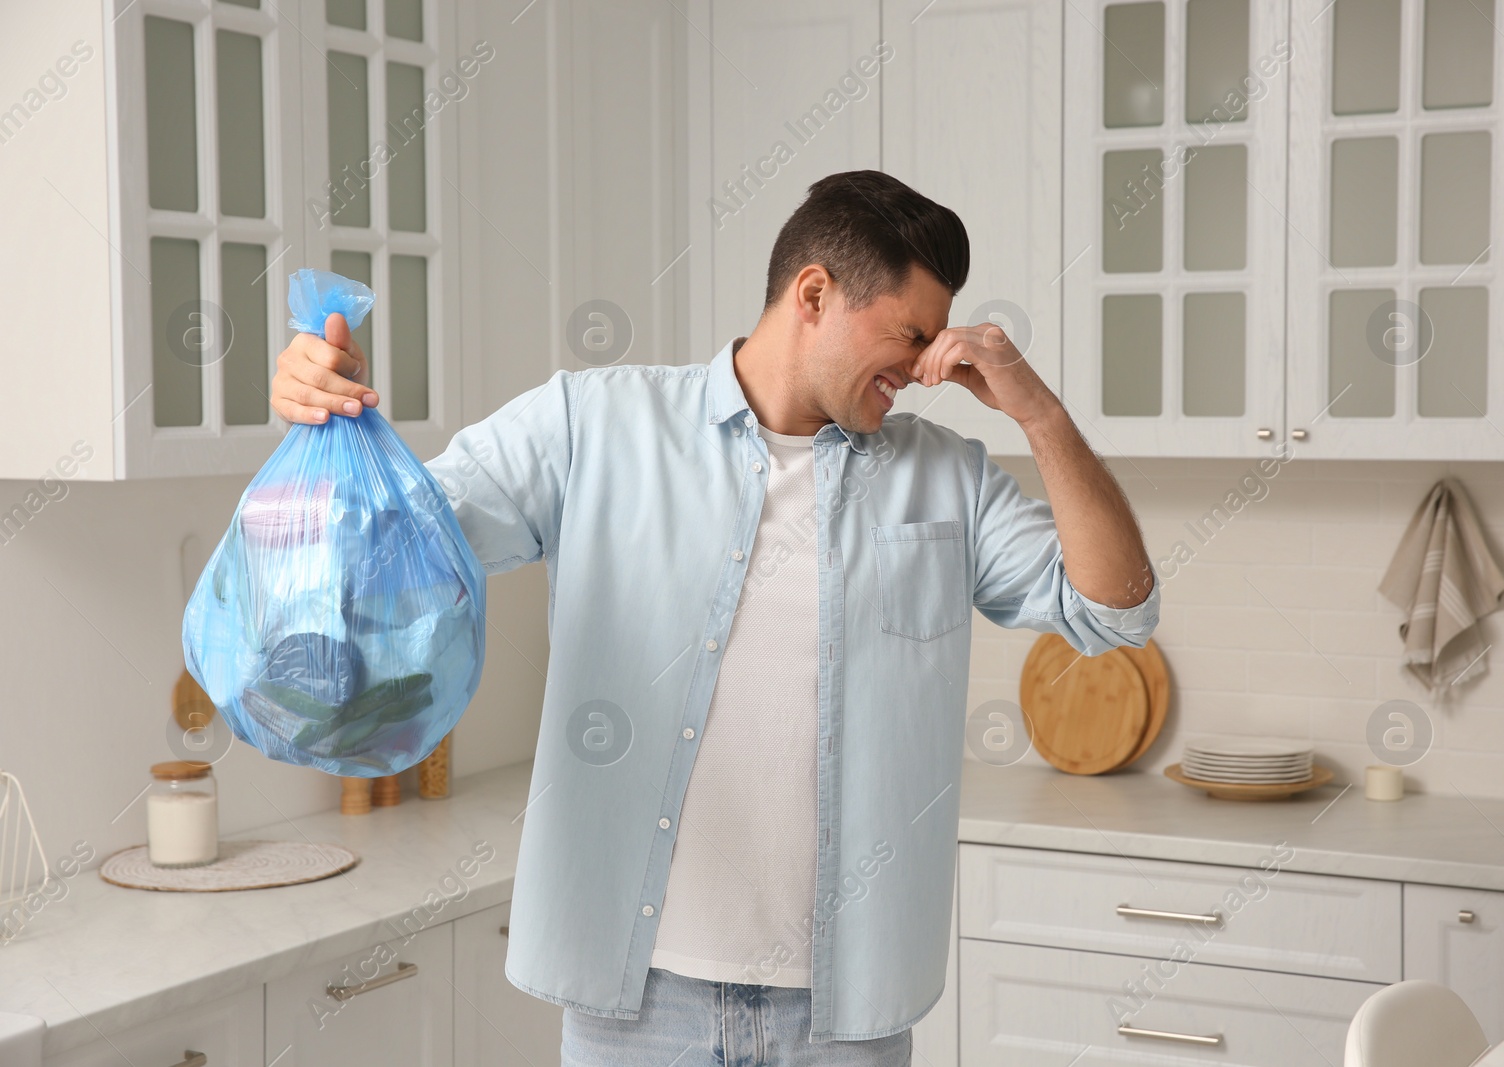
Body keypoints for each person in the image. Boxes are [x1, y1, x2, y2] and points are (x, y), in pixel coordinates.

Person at [270, 169, 1158, 1066]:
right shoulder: (590, 425)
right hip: (637, 1008)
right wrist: (325, 419)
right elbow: (384, 554)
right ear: (814, 293)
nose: (927, 366)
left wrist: (1040, 414)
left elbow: (1116, 612)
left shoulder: (947, 477)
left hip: (844, 1020)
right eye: (910, 334)